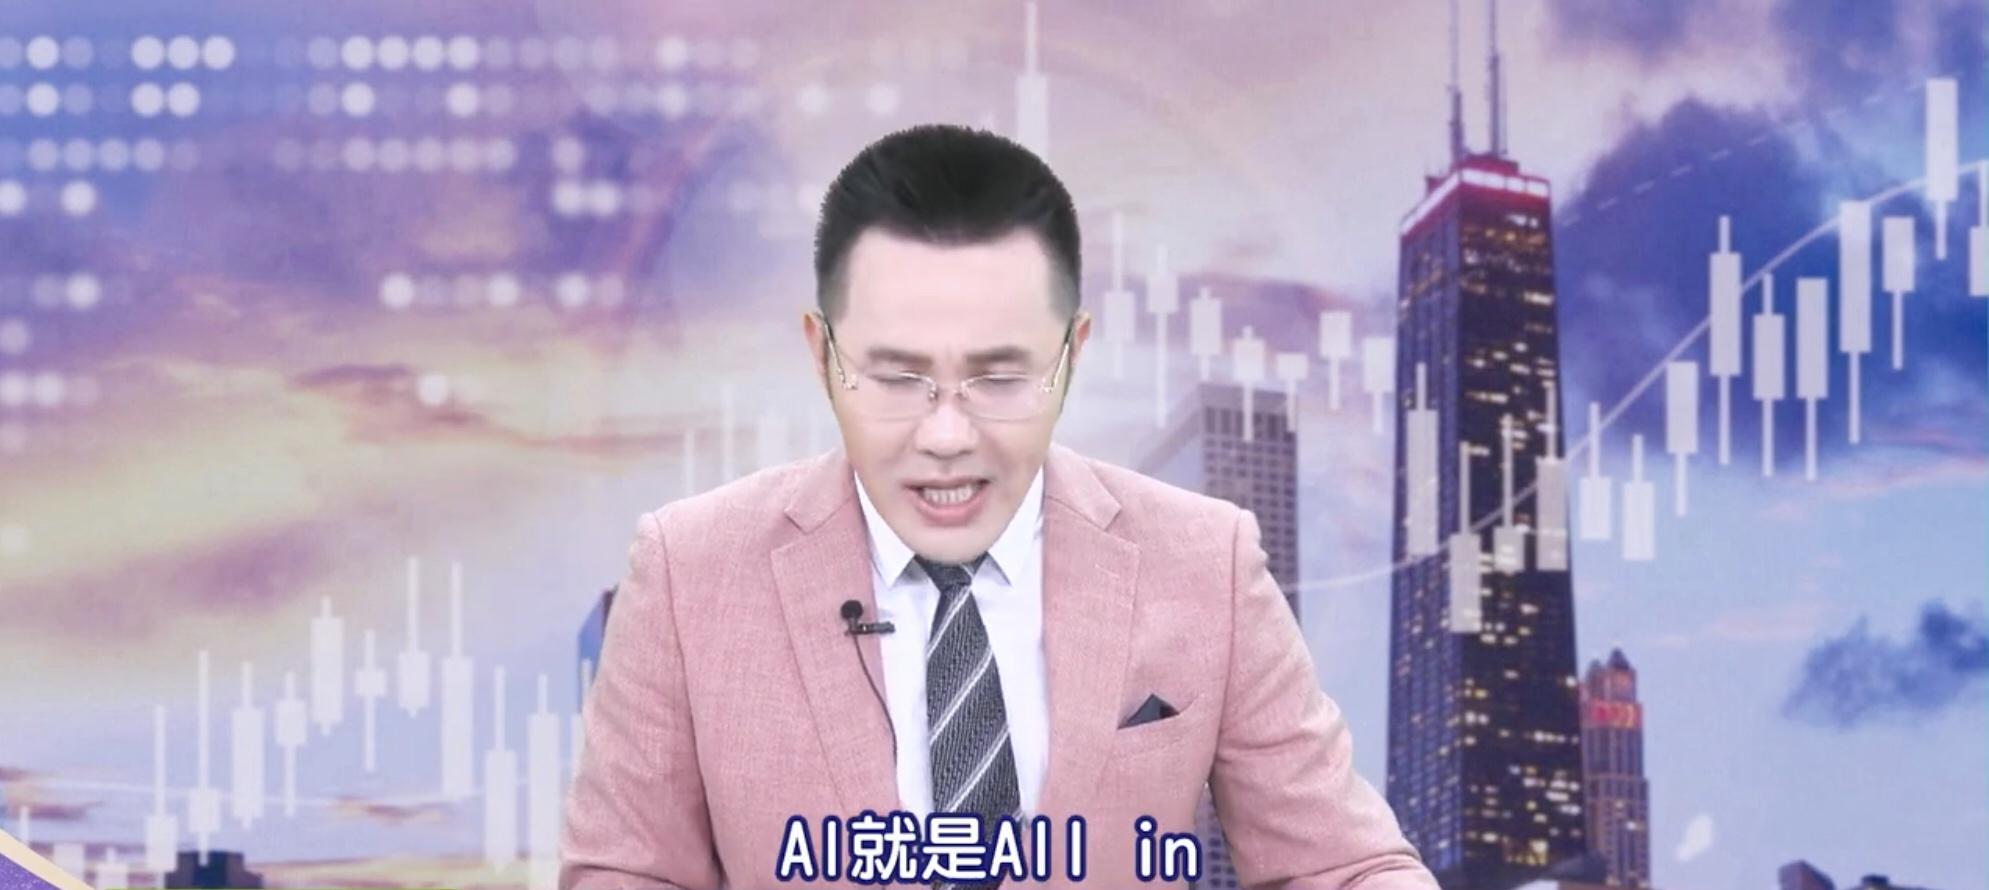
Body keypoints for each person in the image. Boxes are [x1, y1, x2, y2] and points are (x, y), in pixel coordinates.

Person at [560, 124, 1438, 889]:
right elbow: (625, 874)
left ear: (1072, 354)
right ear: (820, 354)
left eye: (1000, 377)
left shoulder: (1206, 563)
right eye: (896, 377)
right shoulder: (687, 573)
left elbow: (1345, 866)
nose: (947, 435)